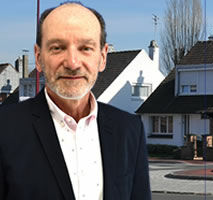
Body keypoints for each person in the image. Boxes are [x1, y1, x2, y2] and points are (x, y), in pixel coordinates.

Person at [0, 2, 151, 200]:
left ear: (103, 57)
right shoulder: (4, 128)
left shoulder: (129, 129)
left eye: (85, 48)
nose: (72, 63)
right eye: (57, 47)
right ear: (38, 58)